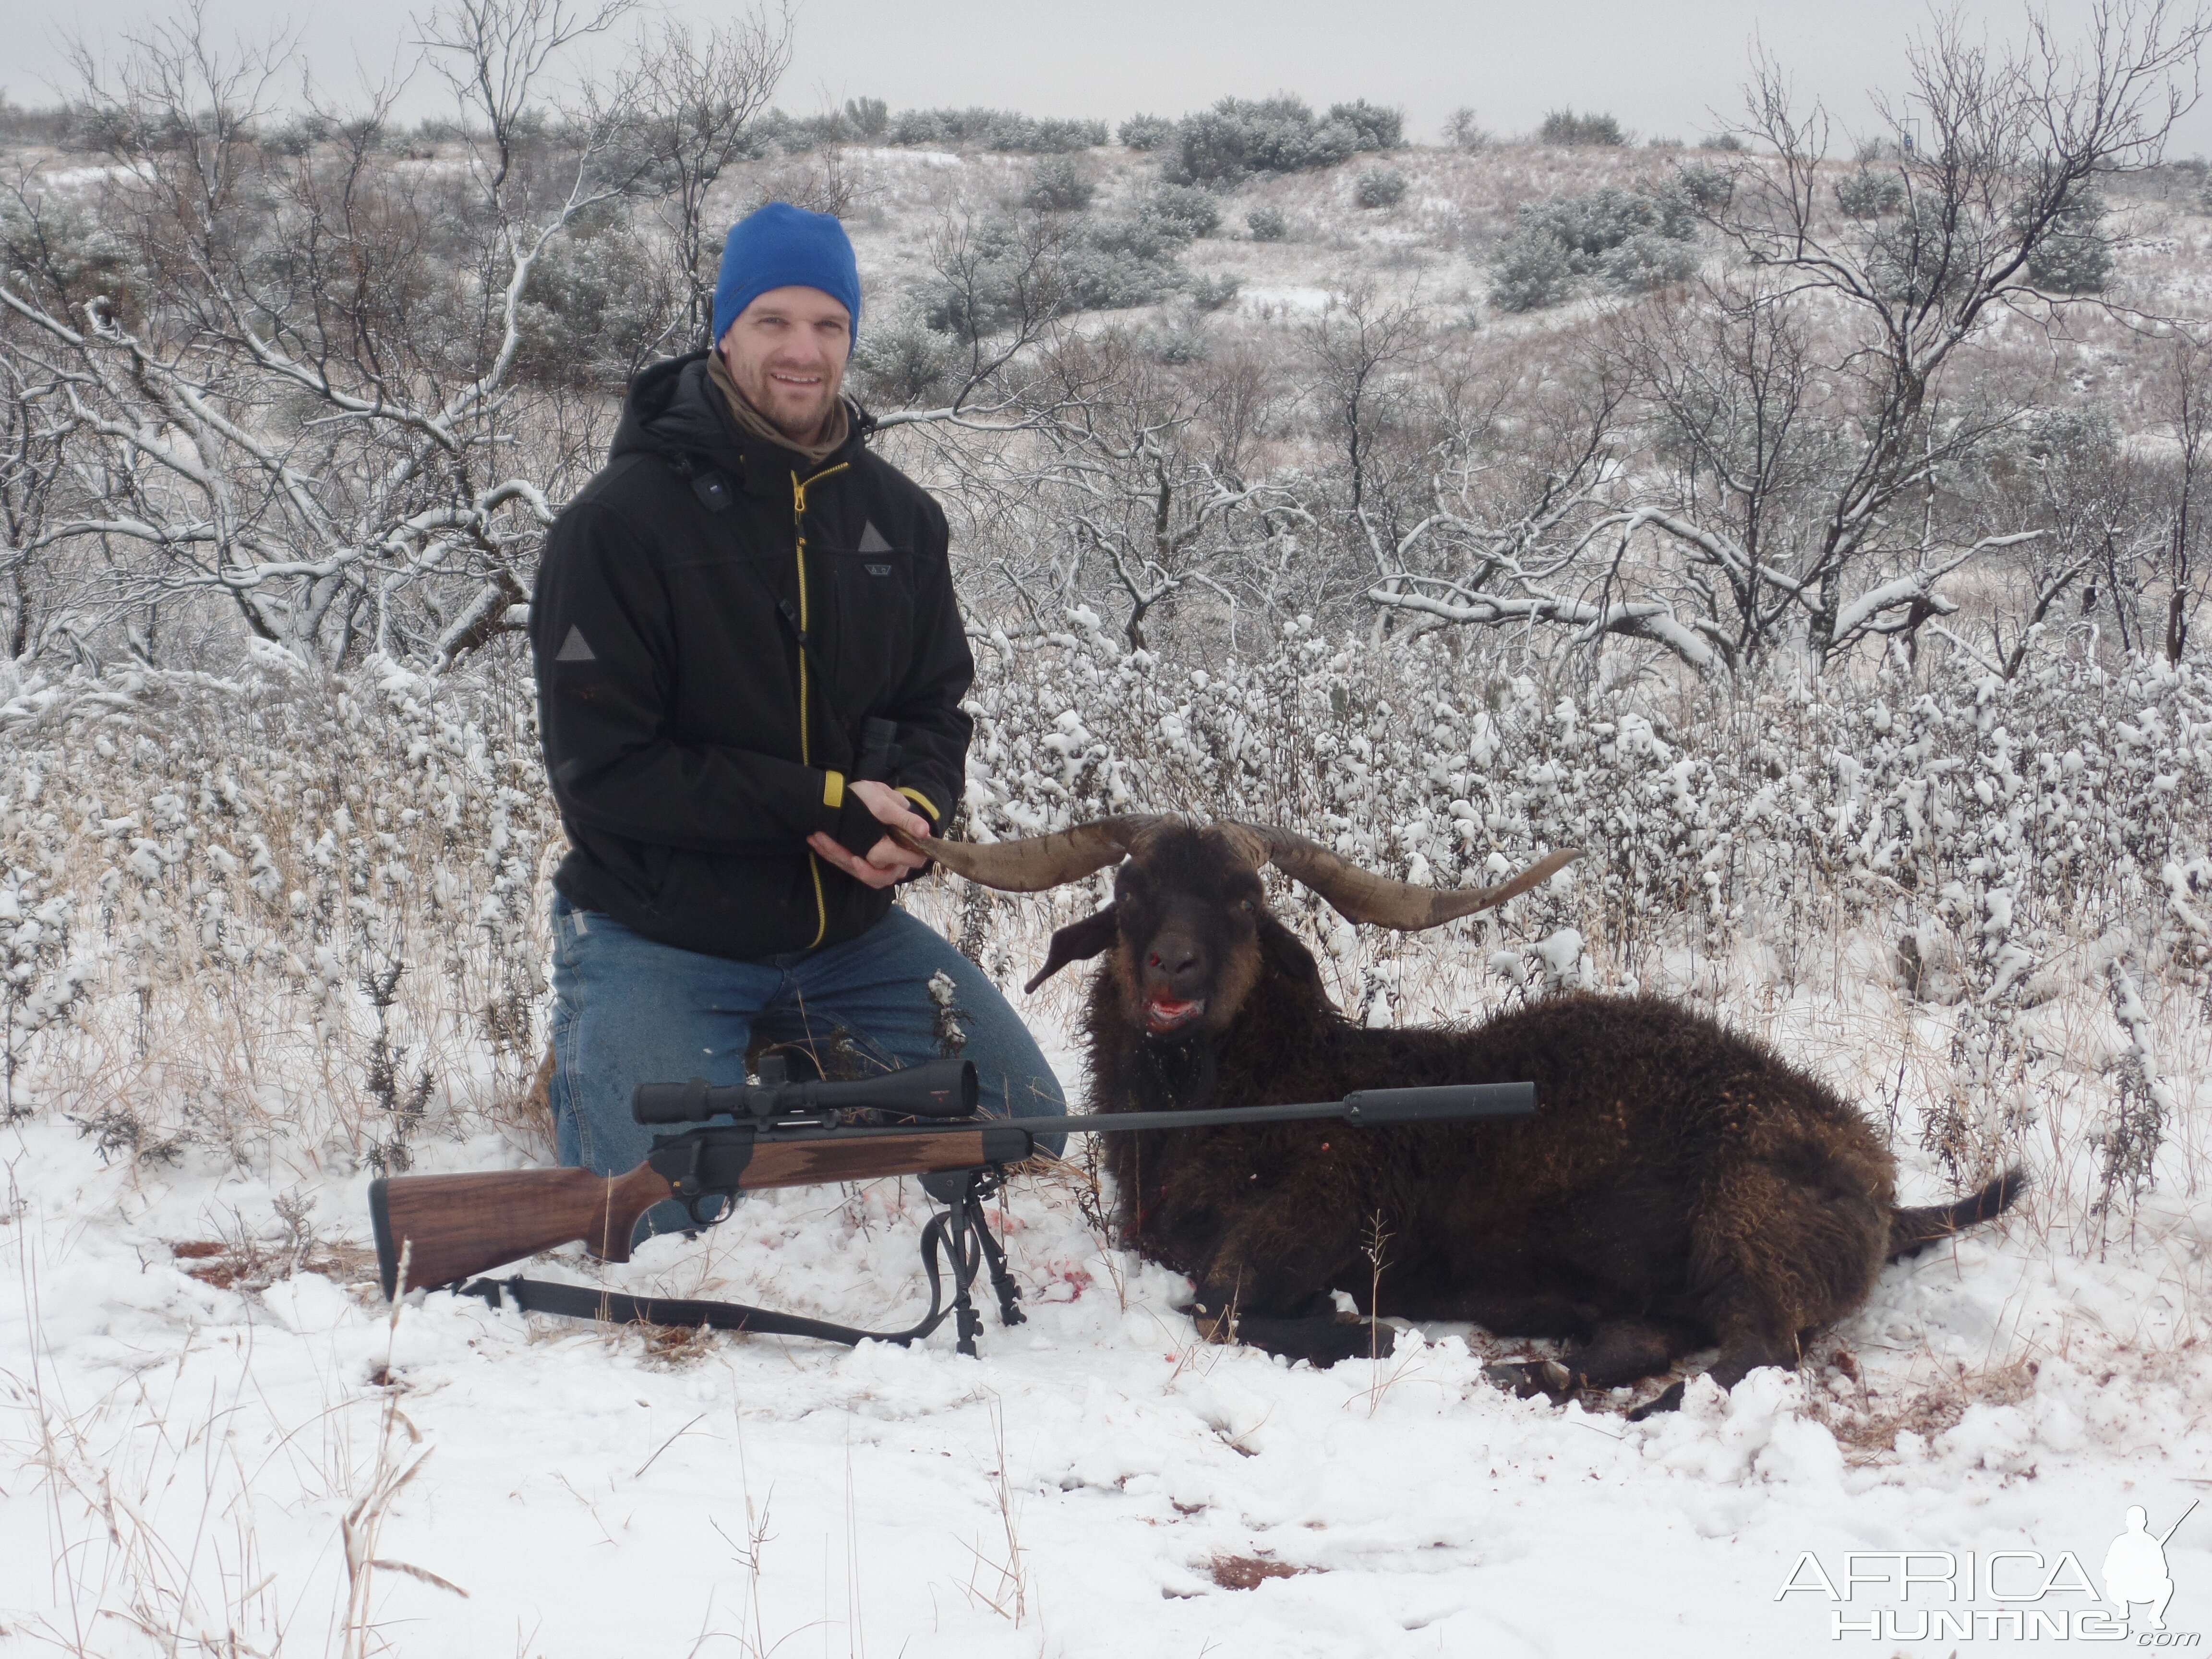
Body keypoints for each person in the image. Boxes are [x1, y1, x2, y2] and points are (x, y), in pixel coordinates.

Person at [529, 202, 1063, 1237]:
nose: (803, 351)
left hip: (847, 938)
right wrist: (819, 802)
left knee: (1032, 1133)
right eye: (774, 321)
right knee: (654, 1225)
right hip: (659, 931)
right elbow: (605, 767)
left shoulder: (900, 520)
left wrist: (912, 806)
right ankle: (606, 1051)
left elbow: (931, 706)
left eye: (829, 325)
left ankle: (783, 1064)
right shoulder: (615, 526)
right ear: (724, 329)